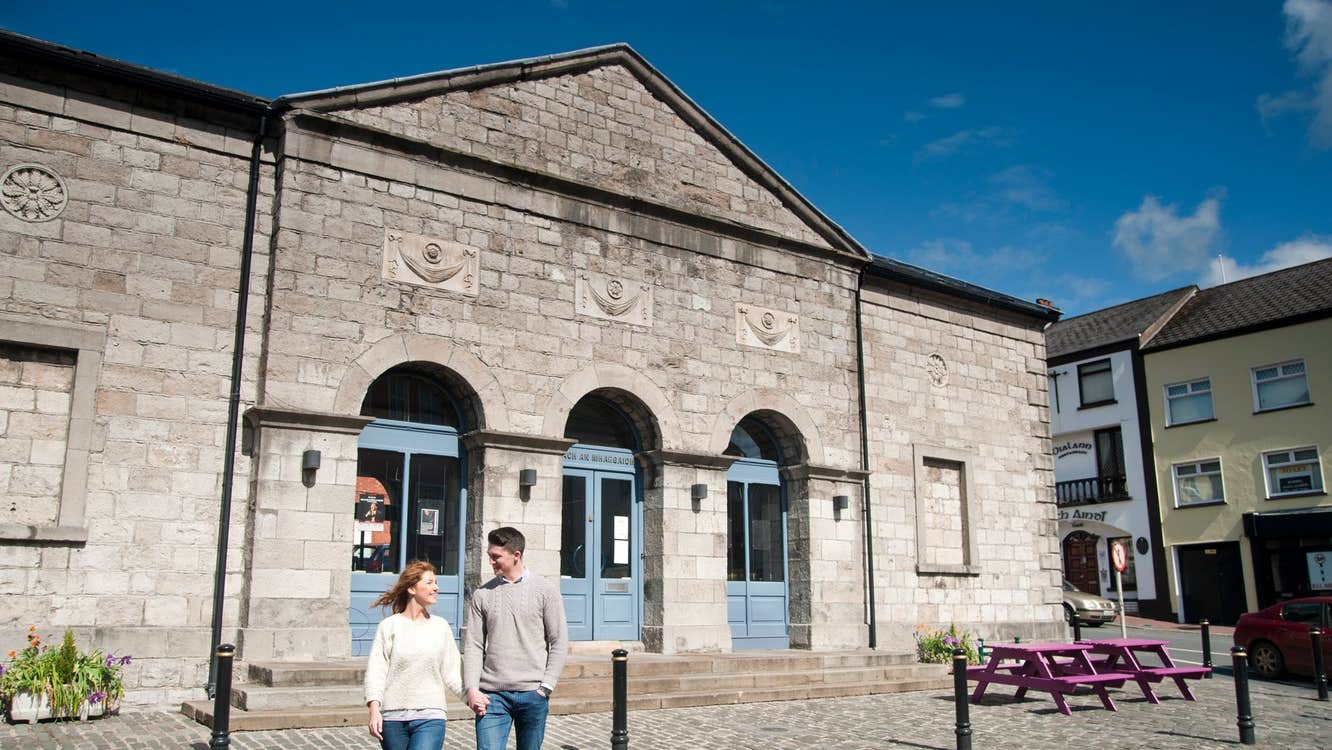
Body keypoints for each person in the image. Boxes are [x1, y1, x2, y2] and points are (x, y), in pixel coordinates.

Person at [464, 526, 569, 750]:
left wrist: (545, 687)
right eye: (489, 556)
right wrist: (472, 689)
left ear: (516, 555)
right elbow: (473, 645)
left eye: (496, 557)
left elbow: (559, 641)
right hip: (492, 697)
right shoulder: (482, 594)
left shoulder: (545, 591)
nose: (490, 562)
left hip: (533, 694)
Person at [365, 560, 464, 750]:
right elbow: (376, 671)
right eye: (429, 583)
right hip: (392, 718)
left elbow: (453, 673)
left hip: (431, 716)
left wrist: (474, 699)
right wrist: (374, 710)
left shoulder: (440, 626)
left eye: (436, 583)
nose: (436, 588)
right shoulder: (389, 626)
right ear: (411, 588)